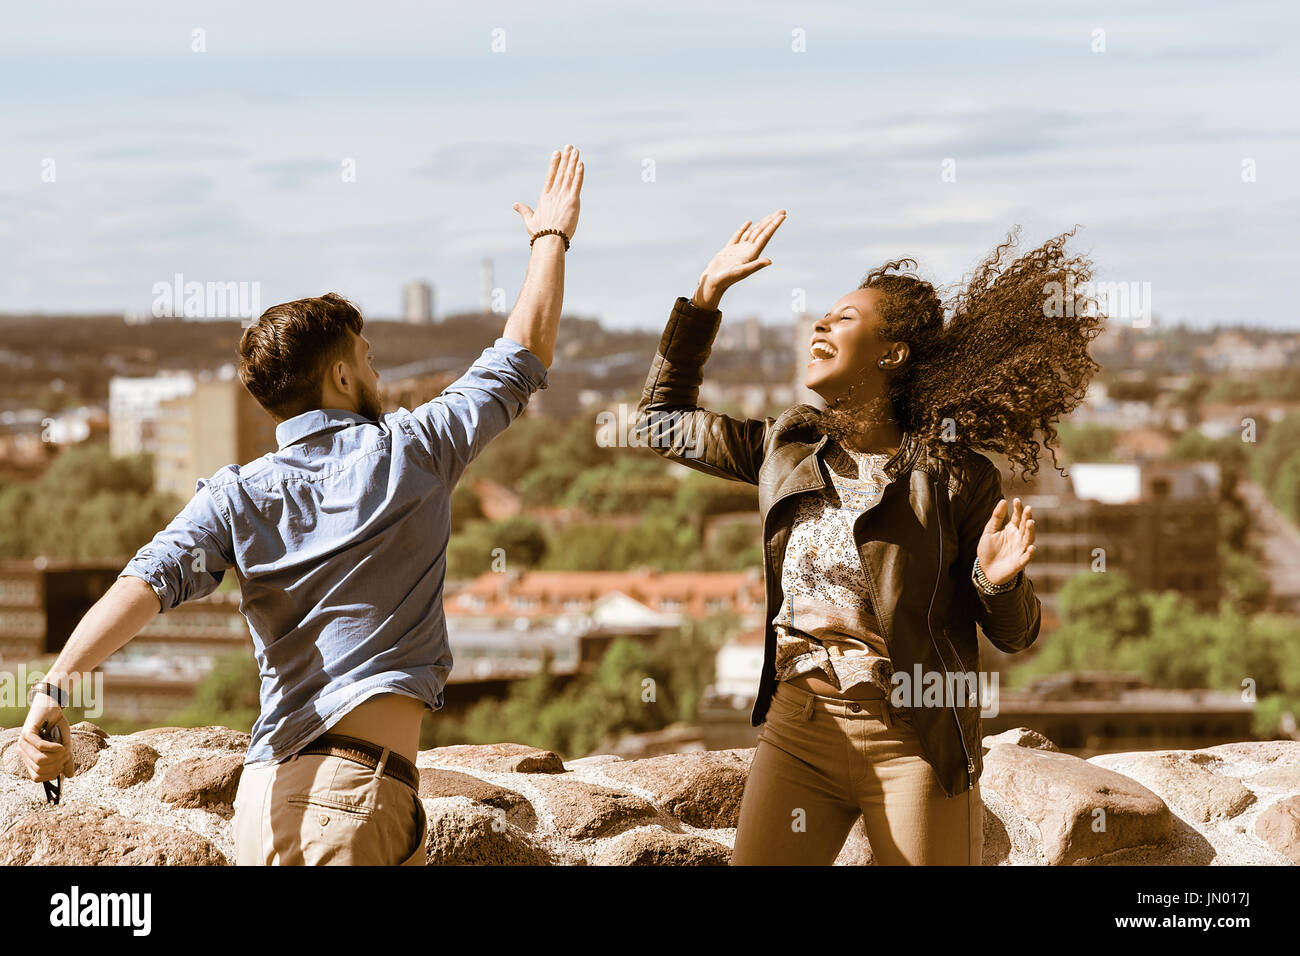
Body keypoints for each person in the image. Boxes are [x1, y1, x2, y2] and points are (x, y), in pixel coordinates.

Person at [17, 144, 585, 866]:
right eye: (371, 358)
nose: (378, 371)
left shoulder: (236, 493)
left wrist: (55, 685)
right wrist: (551, 239)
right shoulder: (409, 452)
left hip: (264, 799)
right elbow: (520, 356)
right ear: (343, 374)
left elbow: (144, 583)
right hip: (348, 799)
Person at [636, 210, 1103, 864]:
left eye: (844, 318)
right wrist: (705, 299)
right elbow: (660, 425)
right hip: (799, 731)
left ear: (891, 353)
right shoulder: (785, 447)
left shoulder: (953, 476)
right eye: (821, 317)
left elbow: (1016, 634)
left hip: (912, 743)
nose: (822, 325)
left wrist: (996, 582)